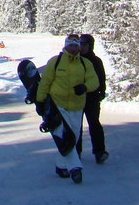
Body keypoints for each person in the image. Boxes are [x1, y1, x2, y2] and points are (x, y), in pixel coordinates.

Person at [35, 34, 98, 184]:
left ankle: (61, 165)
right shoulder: (55, 62)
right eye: (71, 45)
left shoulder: (85, 63)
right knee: (65, 136)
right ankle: (75, 168)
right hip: (58, 105)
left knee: (74, 137)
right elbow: (45, 82)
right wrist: (40, 100)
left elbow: (94, 81)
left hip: (77, 106)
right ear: (65, 46)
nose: (74, 48)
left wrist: (85, 87)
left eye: (76, 45)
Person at [77, 34, 109, 164]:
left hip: (92, 98)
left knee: (94, 124)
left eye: (85, 45)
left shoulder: (96, 61)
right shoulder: (75, 60)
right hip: (77, 97)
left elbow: (101, 77)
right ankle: (76, 152)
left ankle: (99, 151)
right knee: (76, 126)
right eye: (81, 44)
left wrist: (102, 91)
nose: (82, 47)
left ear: (90, 46)